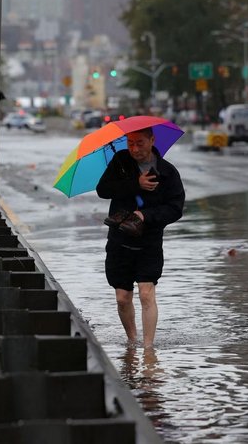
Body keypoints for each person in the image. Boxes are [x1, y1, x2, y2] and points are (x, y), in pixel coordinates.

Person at [96, 126, 185, 349]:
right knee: (122, 298)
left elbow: (175, 208)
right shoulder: (120, 161)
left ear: (152, 140)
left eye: (140, 143)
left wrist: (145, 215)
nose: (134, 148)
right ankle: (132, 341)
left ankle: (148, 349)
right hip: (119, 241)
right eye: (130, 143)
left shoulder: (168, 172)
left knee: (146, 294)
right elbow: (103, 190)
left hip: (149, 243)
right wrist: (135, 184)